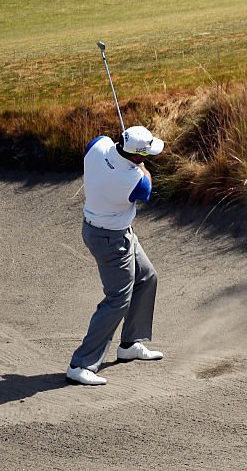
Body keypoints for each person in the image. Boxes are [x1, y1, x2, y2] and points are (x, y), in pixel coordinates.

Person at [66, 125, 166, 386]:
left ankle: (130, 344)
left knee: (146, 277)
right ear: (137, 156)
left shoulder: (98, 145)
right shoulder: (134, 181)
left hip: (110, 230)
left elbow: (100, 144)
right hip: (110, 240)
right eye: (145, 155)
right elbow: (146, 185)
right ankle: (81, 364)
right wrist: (139, 165)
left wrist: (128, 154)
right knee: (117, 300)